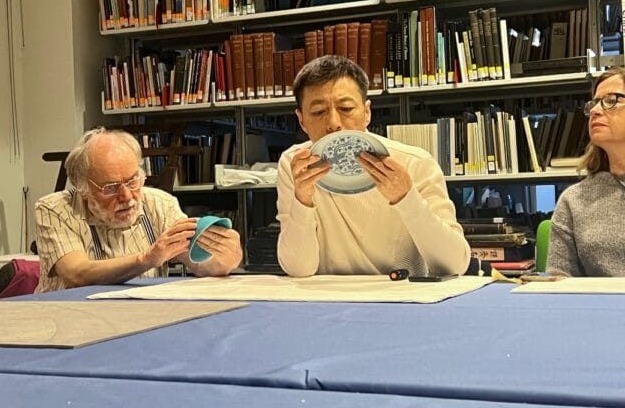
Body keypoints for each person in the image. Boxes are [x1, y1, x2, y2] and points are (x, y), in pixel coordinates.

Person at [276, 55, 471, 277]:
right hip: (328, 302)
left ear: (367, 112)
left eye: (346, 108)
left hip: (401, 300)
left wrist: (407, 198)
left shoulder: (415, 163)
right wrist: (302, 200)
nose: (333, 123)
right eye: (319, 112)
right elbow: (298, 269)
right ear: (301, 120)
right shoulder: (295, 165)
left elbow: (455, 264)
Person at [34, 128, 243, 292]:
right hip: (69, 320)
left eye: (133, 180)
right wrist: (147, 259)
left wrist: (225, 258)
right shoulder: (54, 209)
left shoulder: (160, 204)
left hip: (138, 320)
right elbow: (77, 274)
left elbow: (200, 264)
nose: (126, 196)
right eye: (111, 188)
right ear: (83, 189)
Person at [547, 68, 625, 276]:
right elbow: (559, 282)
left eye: (611, 100)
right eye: (594, 103)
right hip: (597, 307)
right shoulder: (574, 200)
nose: (596, 111)